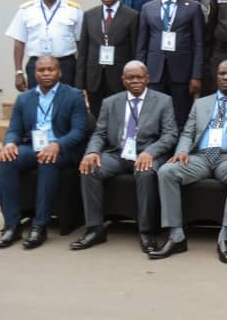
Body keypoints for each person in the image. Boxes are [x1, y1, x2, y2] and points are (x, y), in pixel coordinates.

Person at [149, 59, 227, 264]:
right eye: (222, 74)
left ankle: (225, 237)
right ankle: (176, 236)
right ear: (216, 76)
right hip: (199, 157)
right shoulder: (201, 103)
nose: (226, 78)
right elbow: (187, 132)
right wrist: (182, 150)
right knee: (166, 171)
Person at [71, 61, 178, 253]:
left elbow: (170, 135)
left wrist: (150, 152)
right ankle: (95, 229)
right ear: (123, 80)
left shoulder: (163, 101)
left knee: (145, 172)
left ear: (147, 78)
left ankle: (146, 231)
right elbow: (99, 134)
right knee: (90, 169)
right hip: (117, 154)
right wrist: (92, 152)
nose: (135, 81)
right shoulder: (110, 102)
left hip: (146, 154)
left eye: (139, 77)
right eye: (130, 77)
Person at [0, 55, 88, 250]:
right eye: (41, 70)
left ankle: (40, 224)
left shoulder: (74, 95)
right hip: (32, 147)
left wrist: (57, 145)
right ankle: (11, 225)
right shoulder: (24, 99)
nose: (46, 73)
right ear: (35, 73)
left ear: (59, 72)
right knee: (8, 160)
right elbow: (13, 130)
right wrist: (10, 143)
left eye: (50, 69)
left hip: (62, 149)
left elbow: (79, 131)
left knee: (47, 159)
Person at [136, 0, 204, 130]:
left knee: (180, 117)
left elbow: (199, 43)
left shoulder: (193, 8)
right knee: (154, 116)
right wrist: (139, 72)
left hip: (182, 73)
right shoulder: (148, 8)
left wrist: (196, 75)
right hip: (154, 72)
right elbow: (142, 44)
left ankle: (178, 152)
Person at [6, 0, 84, 92]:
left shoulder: (74, 9)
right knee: (37, 105)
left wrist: (81, 73)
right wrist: (18, 72)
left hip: (66, 65)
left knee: (65, 105)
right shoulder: (26, 10)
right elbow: (19, 43)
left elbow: (80, 43)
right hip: (37, 65)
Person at [76, 0, 139, 121]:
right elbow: (83, 50)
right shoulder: (89, 15)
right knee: (96, 115)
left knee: (118, 116)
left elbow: (134, 50)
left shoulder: (132, 16)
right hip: (94, 78)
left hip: (118, 78)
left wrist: (133, 77)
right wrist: (79, 82)